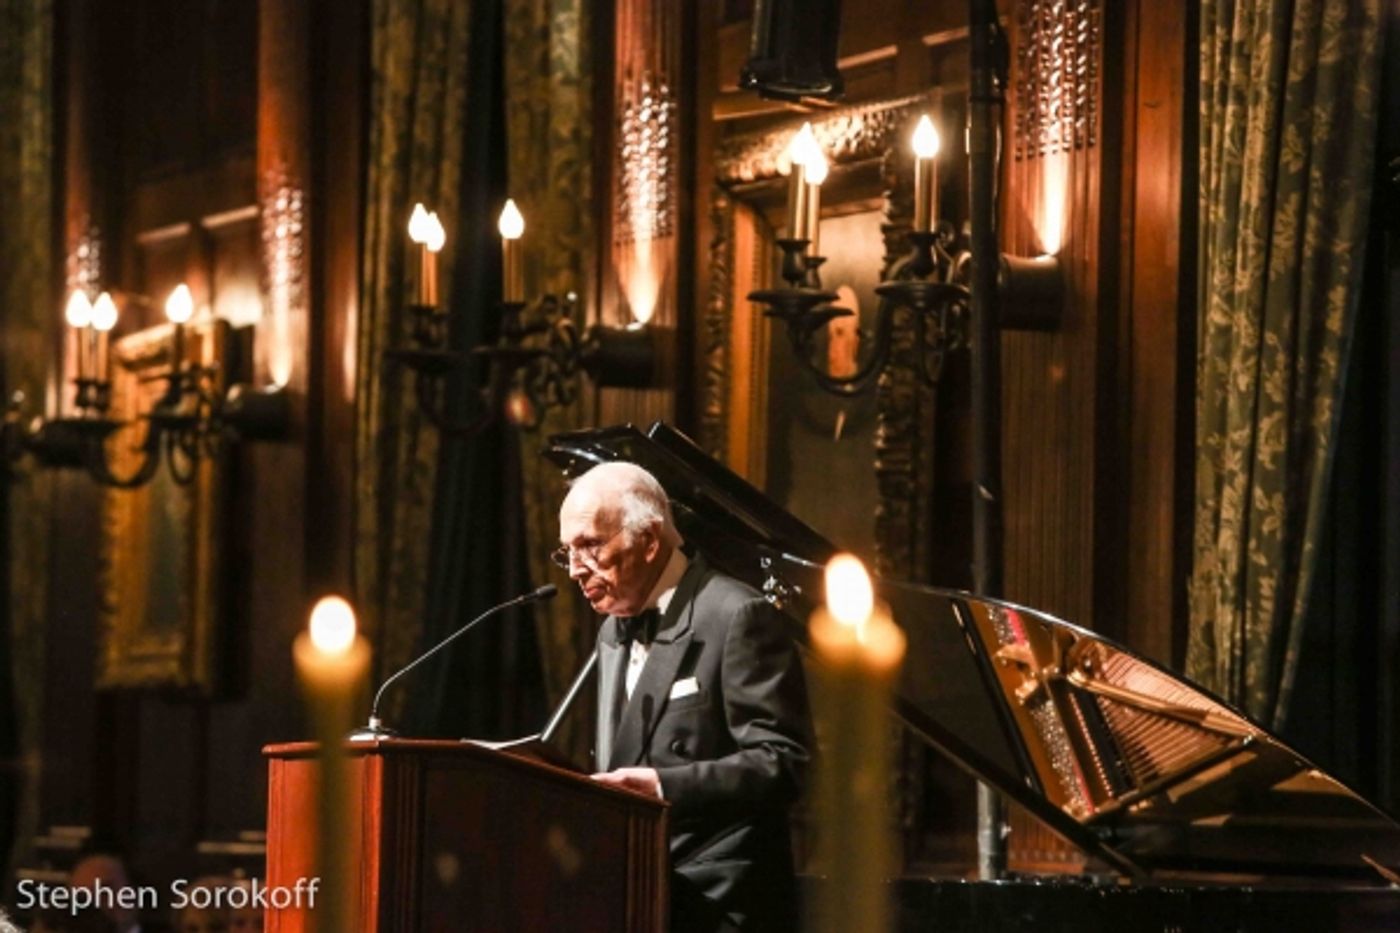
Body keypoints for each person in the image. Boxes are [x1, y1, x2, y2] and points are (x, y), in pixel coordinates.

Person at [556, 461, 812, 933]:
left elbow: (783, 764)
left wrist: (663, 788)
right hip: (636, 892)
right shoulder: (612, 631)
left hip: (720, 903)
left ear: (650, 539)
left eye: (589, 545)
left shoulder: (737, 616)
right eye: (566, 552)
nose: (574, 570)